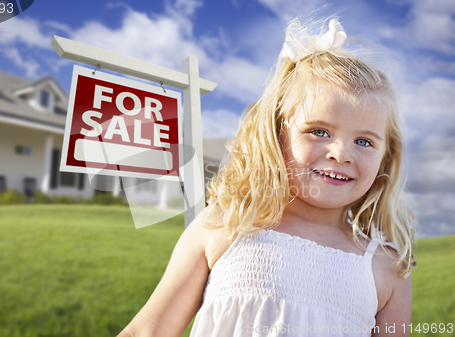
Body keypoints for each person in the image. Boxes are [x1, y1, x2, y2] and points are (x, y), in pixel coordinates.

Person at [117, 17, 416, 337]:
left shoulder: (387, 268)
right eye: (319, 131)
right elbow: (148, 330)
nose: (341, 153)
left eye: (363, 141)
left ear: (387, 154)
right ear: (277, 134)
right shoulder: (227, 223)